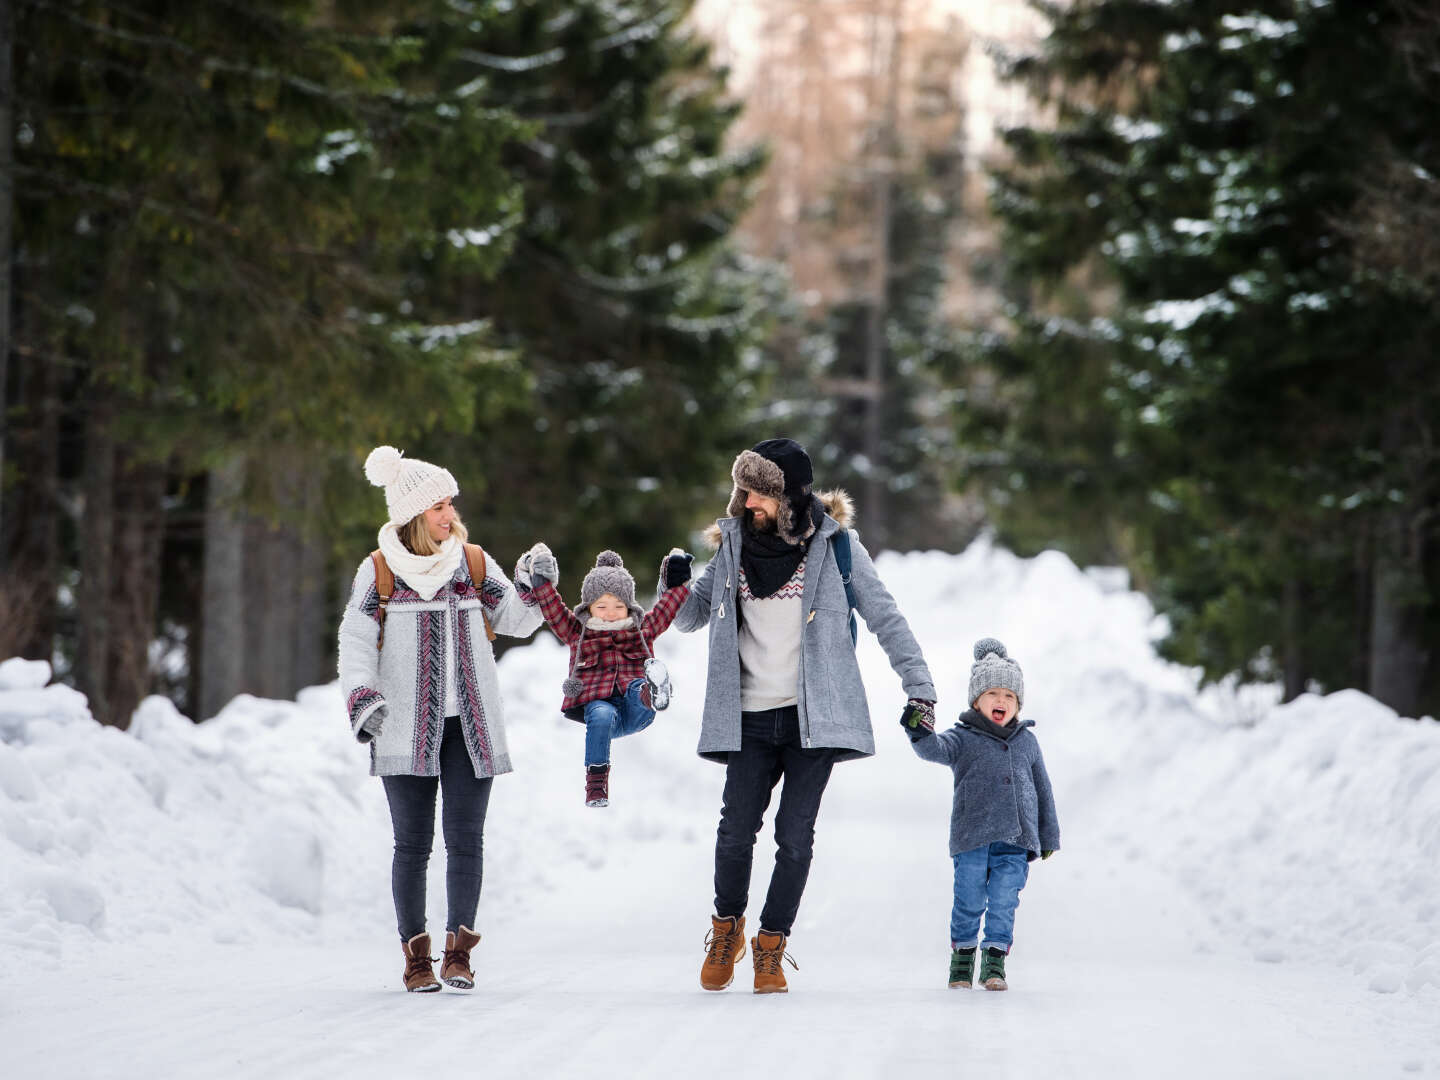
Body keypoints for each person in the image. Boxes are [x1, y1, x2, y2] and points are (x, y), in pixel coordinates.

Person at [674, 437, 936, 994]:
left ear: (788, 497)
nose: (747, 504)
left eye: (758, 495)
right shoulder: (733, 546)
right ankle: (727, 929)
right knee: (735, 832)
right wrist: (672, 585)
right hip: (746, 714)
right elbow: (689, 617)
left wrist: (920, 687)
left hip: (812, 718)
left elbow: (887, 618)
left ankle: (771, 945)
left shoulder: (838, 548)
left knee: (794, 837)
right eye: (743, 492)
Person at [338, 445, 544, 993]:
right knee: (412, 845)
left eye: (450, 505)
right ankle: (416, 959)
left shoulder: (471, 563)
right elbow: (356, 640)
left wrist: (537, 582)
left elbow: (518, 620)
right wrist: (363, 699)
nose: (449, 515)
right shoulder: (379, 571)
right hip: (403, 727)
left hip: (469, 728)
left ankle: (459, 955)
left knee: (467, 841)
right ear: (412, 513)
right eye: (439, 507)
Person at [900, 637, 1061, 992]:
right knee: (969, 900)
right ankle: (962, 960)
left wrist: (1048, 836)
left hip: (1016, 840)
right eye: (993, 695)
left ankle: (994, 963)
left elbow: (1042, 789)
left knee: (1004, 901)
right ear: (976, 701)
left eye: (1009, 696)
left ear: (1018, 705)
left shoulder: (1027, 742)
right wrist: (917, 730)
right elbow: (933, 749)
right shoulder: (963, 738)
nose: (1001, 701)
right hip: (972, 838)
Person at [522, 546, 694, 806]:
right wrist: (541, 582)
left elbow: (665, 610)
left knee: (637, 687)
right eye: (602, 606)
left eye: (618, 606)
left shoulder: (640, 630)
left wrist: (679, 581)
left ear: (629, 606)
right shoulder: (577, 632)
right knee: (601, 712)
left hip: (635, 709)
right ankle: (596, 785)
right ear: (589, 607)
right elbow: (553, 610)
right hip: (601, 716)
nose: (611, 612)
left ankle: (652, 693)